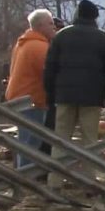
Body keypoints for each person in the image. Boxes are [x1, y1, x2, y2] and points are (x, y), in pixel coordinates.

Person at [44, 0, 105, 190]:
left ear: (77, 14)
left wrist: (50, 94)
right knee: (90, 141)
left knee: (60, 139)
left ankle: (55, 182)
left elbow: (50, 69)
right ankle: (89, 183)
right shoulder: (104, 39)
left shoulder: (61, 36)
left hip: (64, 96)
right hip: (92, 96)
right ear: (95, 17)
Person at [5, 9, 57, 168]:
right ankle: (26, 176)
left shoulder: (23, 43)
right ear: (40, 25)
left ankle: (23, 173)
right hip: (31, 100)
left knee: (25, 139)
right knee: (31, 142)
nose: (54, 27)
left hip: (18, 97)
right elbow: (49, 74)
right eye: (50, 23)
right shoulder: (40, 47)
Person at [40, 16, 67, 157]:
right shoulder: (45, 46)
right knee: (47, 131)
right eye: (56, 28)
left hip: (55, 95)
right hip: (47, 96)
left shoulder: (58, 46)